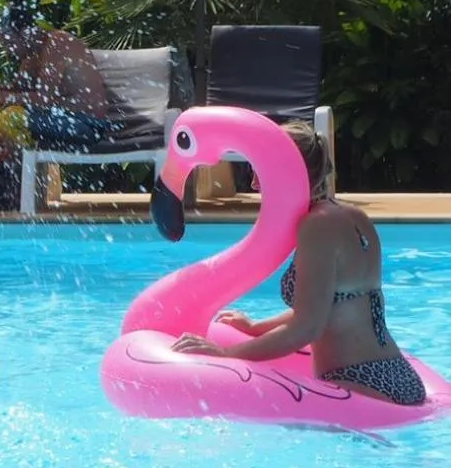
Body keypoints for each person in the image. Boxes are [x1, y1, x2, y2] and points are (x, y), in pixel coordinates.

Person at [172, 122, 425, 406]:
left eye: (260, 170)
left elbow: (307, 328)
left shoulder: (316, 226)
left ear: (286, 171)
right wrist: (256, 327)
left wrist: (226, 356)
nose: (254, 184)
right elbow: (326, 306)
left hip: (357, 379)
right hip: (396, 374)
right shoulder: (352, 216)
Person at [0, 20, 113, 154]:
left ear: (27, 34)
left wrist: (0, 95)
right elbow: (18, 93)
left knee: (11, 118)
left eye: (10, 43)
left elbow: (44, 100)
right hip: (57, 116)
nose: (7, 49)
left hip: (87, 124)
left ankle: (24, 169)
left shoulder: (57, 44)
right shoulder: (31, 56)